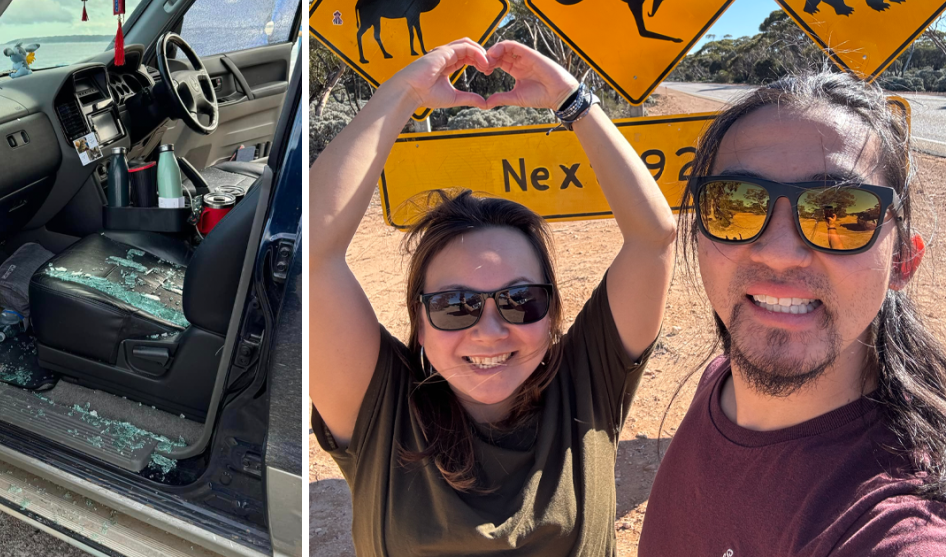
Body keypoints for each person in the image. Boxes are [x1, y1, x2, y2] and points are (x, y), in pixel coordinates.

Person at [309, 38, 677, 555]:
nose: (489, 330)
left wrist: (570, 99)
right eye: (455, 306)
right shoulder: (381, 410)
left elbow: (653, 238)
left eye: (520, 300)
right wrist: (406, 91)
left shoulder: (588, 383)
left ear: (551, 314)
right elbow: (313, 254)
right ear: (418, 317)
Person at [639, 73, 946, 554]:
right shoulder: (720, 382)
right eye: (735, 204)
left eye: (841, 212)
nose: (780, 253)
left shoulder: (900, 525)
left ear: (904, 260)